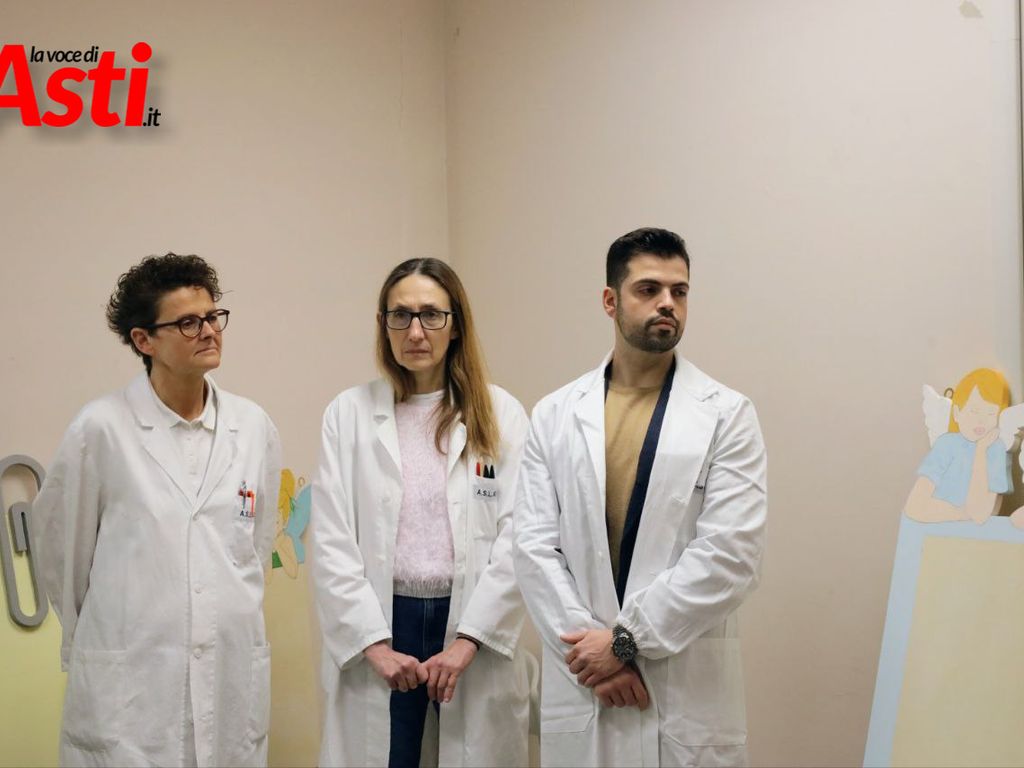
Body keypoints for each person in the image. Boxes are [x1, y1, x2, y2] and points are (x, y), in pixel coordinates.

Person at [514, 228, 768, 767]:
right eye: (649, 289)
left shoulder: (727, 414)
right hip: (587, 688)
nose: (667, 303)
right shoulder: (555, 415)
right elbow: (534, 549)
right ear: (610, 301)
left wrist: (625, 642)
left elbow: (732, 555)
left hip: (682, 697)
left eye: (680, 291)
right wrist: (593, 656)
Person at [33, 254, 282, 767]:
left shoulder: (253, 426)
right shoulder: (100, 429)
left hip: (228, 675)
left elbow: (253, 552)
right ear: (144, 340)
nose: (208, 331)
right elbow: (62, 554)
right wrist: (102, 639)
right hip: (131, 691)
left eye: (213, 316)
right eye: (188, 322)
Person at [311, 257, 531, 767]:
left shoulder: (501, 413)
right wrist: (373, 644)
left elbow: (520, 535)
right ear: (383, 324)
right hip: (384, 621)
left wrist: (469, 640)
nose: (415, 331)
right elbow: (331, 539)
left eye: (431, 314)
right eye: (400, 315)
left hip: (470, 619)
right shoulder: (348, 414)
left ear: (455, 325)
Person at [904, 368, 1012, 524]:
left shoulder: (995, 449)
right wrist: (961, 513)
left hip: (966, 535)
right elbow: (914, 506)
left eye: (990, 413)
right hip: (933, 531)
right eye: (974, 411)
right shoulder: (946, 444)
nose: (981, 420)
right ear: (957, 413)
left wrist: (980, 451)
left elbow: (979, 514)